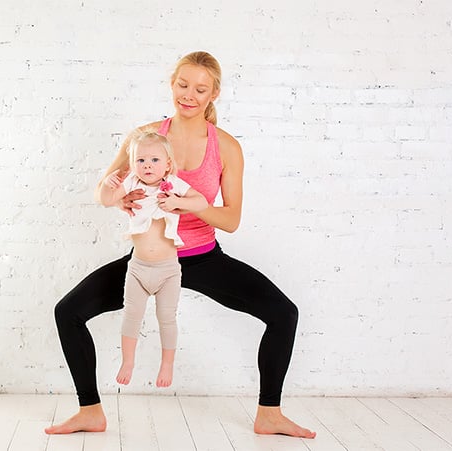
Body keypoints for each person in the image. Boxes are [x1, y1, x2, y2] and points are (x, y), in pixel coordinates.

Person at [45, 51, 315, 438]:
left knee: (284, 313)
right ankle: (90, 410)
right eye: (182, 85)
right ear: (172, 84)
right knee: (68, 311)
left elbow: (232, 219)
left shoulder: (226, 147)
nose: (188, 95)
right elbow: (104, 189)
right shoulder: (145, 137)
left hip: (203, 259)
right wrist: (117, 196)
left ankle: (269, 413)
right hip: (147, 260)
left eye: (200, 89)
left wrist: (195, 206)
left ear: (214, 94)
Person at [99, 130, 207, 388]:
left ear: (168, 163)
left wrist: (177, 202)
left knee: (166, 317)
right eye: (141, 160)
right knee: (132, 315)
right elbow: (106, 201)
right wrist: (107, 184)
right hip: (137, 269)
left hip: (168, 270)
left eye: (155, 160)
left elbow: (201, 202)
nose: (147, 165)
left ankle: (167, 364)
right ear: (134, 163)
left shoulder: (173, 185)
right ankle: (128, 361)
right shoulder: (132, 184)